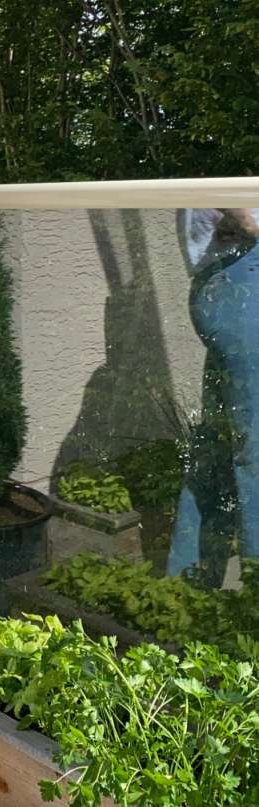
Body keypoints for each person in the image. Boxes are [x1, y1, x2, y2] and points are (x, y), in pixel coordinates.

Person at [167, 208, 259, 587]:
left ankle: (186, 593)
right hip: (244, 271)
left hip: (235, 275)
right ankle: (253, 619)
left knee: (219, 450)